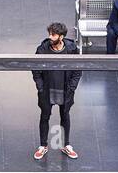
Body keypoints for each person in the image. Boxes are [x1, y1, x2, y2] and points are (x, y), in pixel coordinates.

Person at [33, 21, 82, 160]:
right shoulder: (42, 49)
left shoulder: (71, 49)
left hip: (65, 90)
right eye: (49, 34)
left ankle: (66, 144)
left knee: (65, 116)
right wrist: (40, 87)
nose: (50, 37)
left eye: (53, 34)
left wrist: (72, 88)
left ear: (61, 37)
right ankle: (43, 145)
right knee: (45, 116)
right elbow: (35, 69)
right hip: (47, 91)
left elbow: (77, 69)